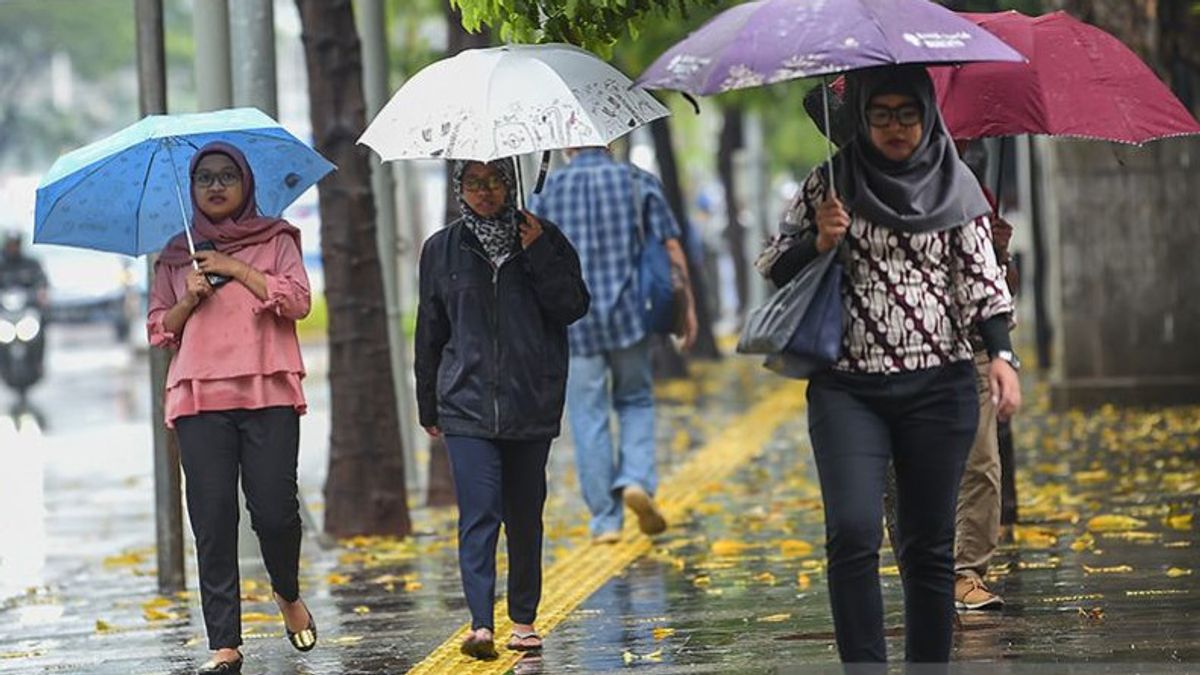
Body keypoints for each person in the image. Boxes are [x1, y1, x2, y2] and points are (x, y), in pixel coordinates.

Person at [756, 65, 1021, 664]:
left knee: (927, 546)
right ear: (862, 116)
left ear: (926, 115)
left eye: (907, 114)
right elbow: (773, 265)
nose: (895, 127)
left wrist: (1002, 356)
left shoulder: (957, 184)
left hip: (939, 385)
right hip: (847, 388)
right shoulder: (829, 183)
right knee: (851, 532)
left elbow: (983, 283)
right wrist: (817, 241)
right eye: (881, 114)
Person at [146, 142, 315, 675]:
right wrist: (189, 296)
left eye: (226, 177)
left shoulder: (278, 239)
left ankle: (286, 592)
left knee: (275, 513)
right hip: (199, 398)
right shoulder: (177, 253)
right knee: (213, 519)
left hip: (268, 393)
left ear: (245, 183)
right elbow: (159, 329)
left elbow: (299, 302)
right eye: (205, 179)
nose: (216, 186)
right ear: (193, 191)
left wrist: (234, 268)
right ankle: (224, 642)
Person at [415, 158, 589, 660]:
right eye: (475, 183)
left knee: (524, 514)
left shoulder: (545, 238)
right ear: (459, 188)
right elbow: (430, 331)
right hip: (465, 403)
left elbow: (572, 307)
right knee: (478, 512)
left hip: (530, 398)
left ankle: (524, 619)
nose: (486, 192)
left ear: (510, 184)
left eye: (495, 182)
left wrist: (537, 254)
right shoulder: (441, 248)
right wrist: (429, 402)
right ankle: (479, 624)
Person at [528, 146, 697, 545]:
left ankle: (606, 519)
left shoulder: (546, 193)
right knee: (635, 399)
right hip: (630, 318)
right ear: (607, 138)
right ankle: (636, 478)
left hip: (575, 323)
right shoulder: (638, 181)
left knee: (589, 416)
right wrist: (687, 309)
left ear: (568, 145)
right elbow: (671, 247)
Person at [0, 231, 49, 303]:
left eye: (15, 244)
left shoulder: (31, 263)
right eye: (10, 244)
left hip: (28, 302)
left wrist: (41, 290)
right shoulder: (2, 264)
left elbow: (41, 280)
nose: (13, 247)